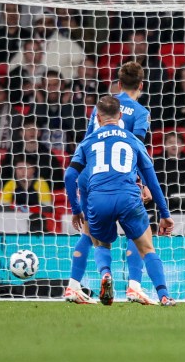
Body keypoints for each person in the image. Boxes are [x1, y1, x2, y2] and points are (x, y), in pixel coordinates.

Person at [65, 96, 175, 307]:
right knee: (146, 247)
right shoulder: (133, 139)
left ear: (97, 117)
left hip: (98, 199)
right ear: (121, 116)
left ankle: (106, 274)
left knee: (100, 243)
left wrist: (76, 209)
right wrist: (165, 213)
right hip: (128, 197)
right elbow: (151, 179)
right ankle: (163, 295)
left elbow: (70, 177)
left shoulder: (88, 141)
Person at [61, 62, 155, 305]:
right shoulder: (141, 112)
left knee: (90, 231)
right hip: (118, 175)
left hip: (87, 170)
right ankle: (134, 285)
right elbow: (136, 150)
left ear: (119, 84)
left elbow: (92, 138)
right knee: (138, 230)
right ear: (142, 85)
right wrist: (142, 182)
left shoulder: (104, 104)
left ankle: (73, 285)